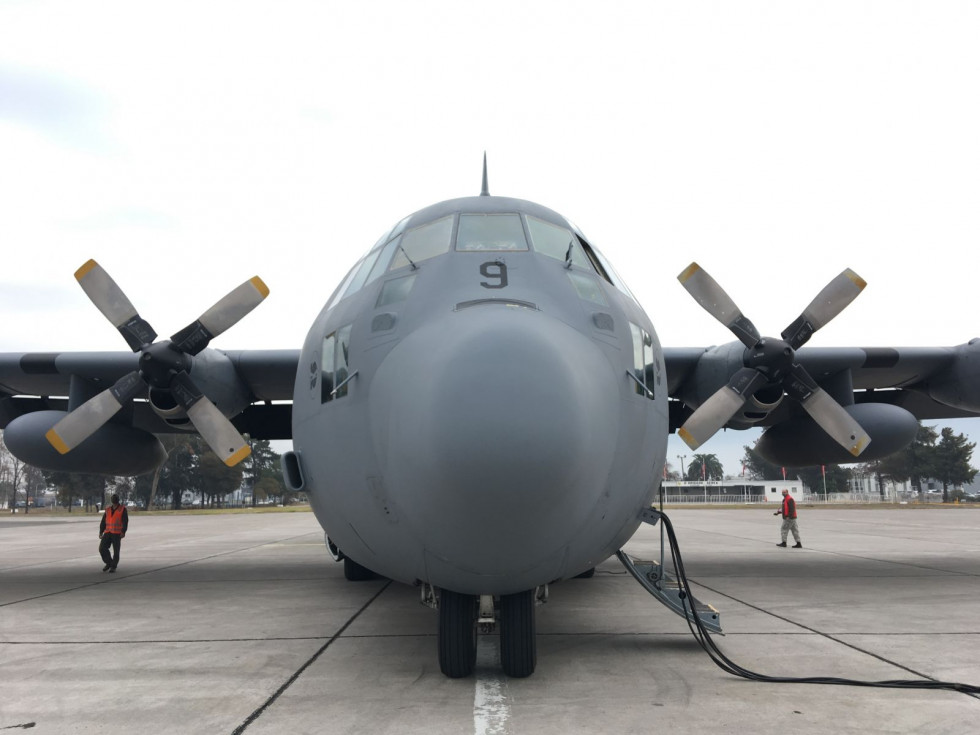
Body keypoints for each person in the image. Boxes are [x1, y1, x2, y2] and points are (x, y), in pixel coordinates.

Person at [99, 494, 128, 572]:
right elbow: (103, 522)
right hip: (108, 532)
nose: (114, 500)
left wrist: (123, 531)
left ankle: (113, 566)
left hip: (117, 533)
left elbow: (125, 521)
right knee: (102, 548)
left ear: (118, 500)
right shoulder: (108, 510)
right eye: (113, 498)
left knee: (116, 551)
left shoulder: (122, 509)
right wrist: (101, 532)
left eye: (115, 498)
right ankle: (109, 562)